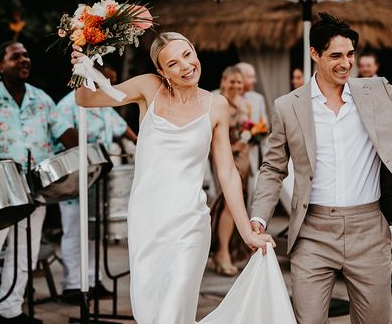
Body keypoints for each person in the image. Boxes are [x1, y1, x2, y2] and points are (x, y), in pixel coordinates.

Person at [250, 0, 392, 324]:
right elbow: (272, 168)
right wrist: (259, 218)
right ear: (314, 53)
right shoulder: (287, 106)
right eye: (335, 56)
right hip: (313, 232)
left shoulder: (377, 92)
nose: (346, 63)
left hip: (369, 231)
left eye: (350, 54)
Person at [70, 32, 275, 323]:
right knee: (151, 310)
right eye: (174, 63)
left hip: (189, 220)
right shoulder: (148, 88)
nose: (186, 66)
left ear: (194, 50)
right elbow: (86, 99)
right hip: (147, 221)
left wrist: (245, 231)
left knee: (172, 306)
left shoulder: (216, 106)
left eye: (187, 54)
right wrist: (81, 65)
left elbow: (227, 172)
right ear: (161, 72)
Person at [0, 41, 78, 324]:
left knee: (26, 252)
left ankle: (10, 311)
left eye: (26, 55)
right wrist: (4, 164)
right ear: (1, 65)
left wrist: (82, 151)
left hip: (35, 189)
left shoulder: (41, 99)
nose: (24, 60)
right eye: (15, 56)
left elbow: (64, 132)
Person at [54, 63, 137, 304]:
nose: (109, 85)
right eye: (105, 80)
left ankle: (92, 279)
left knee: (94, 230)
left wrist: (142, 141)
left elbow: (122, 129)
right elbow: (63, 135)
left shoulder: (102, 104)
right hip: (74, 177)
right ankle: (72, 285)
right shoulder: (70, 104)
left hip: (99, 178)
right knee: (73, 230)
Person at [208, 66, 252, 276]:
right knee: (226, 203)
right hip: (221, 157)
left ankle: (225, 251)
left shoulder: (246, 104)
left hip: (242, 159)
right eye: (232, 81)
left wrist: (252, 136)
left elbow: (251, 129)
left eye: (239, 82)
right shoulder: (215, 102)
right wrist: (232, 147)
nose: (236, 86)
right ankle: (222, 252)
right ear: (224, 81)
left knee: (238, 203)